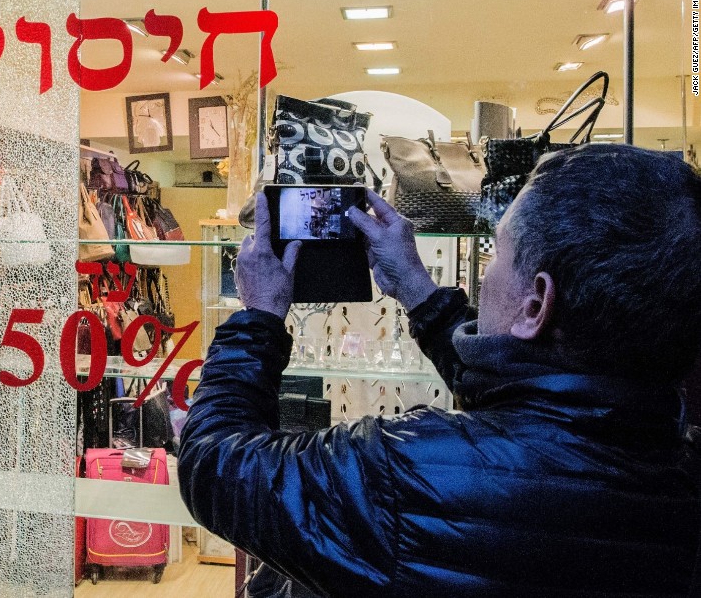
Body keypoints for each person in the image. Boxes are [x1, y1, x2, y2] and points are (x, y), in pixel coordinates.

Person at [177, 144, 701, 597]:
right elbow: (536, 399)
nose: (488, 271)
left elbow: (216, 466)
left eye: (497, 253)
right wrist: (420, 293)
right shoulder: (679, 480)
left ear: (536, 304)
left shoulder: (403, 476)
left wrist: (259, 318)